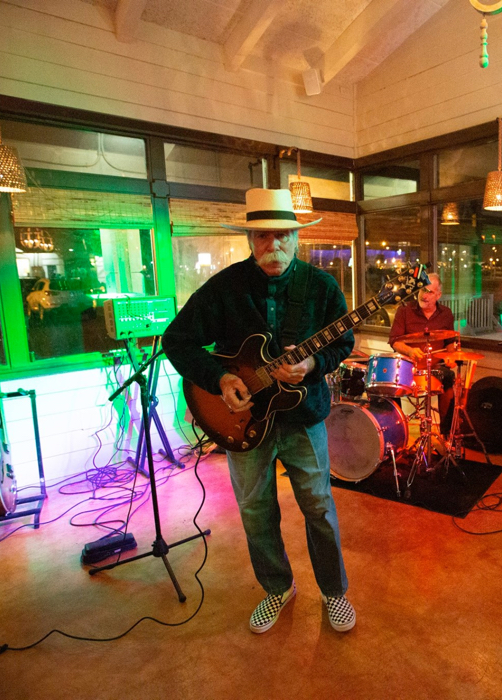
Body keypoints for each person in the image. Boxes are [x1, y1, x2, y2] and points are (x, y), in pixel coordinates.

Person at [162, 188, 356, 633]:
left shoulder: (322, 287)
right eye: (264, 236)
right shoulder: (224, 288)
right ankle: (277, 587)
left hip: (303, 419)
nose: (274, 245)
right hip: (243, 418)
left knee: (319, 507)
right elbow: (177, 340)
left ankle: (334, 592)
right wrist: (220, 379)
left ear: (297, 237)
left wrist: (313, 364)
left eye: (283, 235)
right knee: (254, 509)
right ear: (250, 239)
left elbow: (343, 342)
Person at [388, 273, 457, 414]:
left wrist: (451, 356)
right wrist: (410, 351)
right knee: (389, 382)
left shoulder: (446, 314)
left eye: (429, 292)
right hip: (408, 368)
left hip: (436, 367)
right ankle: (396, 424)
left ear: (438, 295)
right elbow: (394, 341)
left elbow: (450, 342)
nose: (424, 295)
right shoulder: (404, 311)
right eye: (422, 290)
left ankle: (446, 427)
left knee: (449, 379)